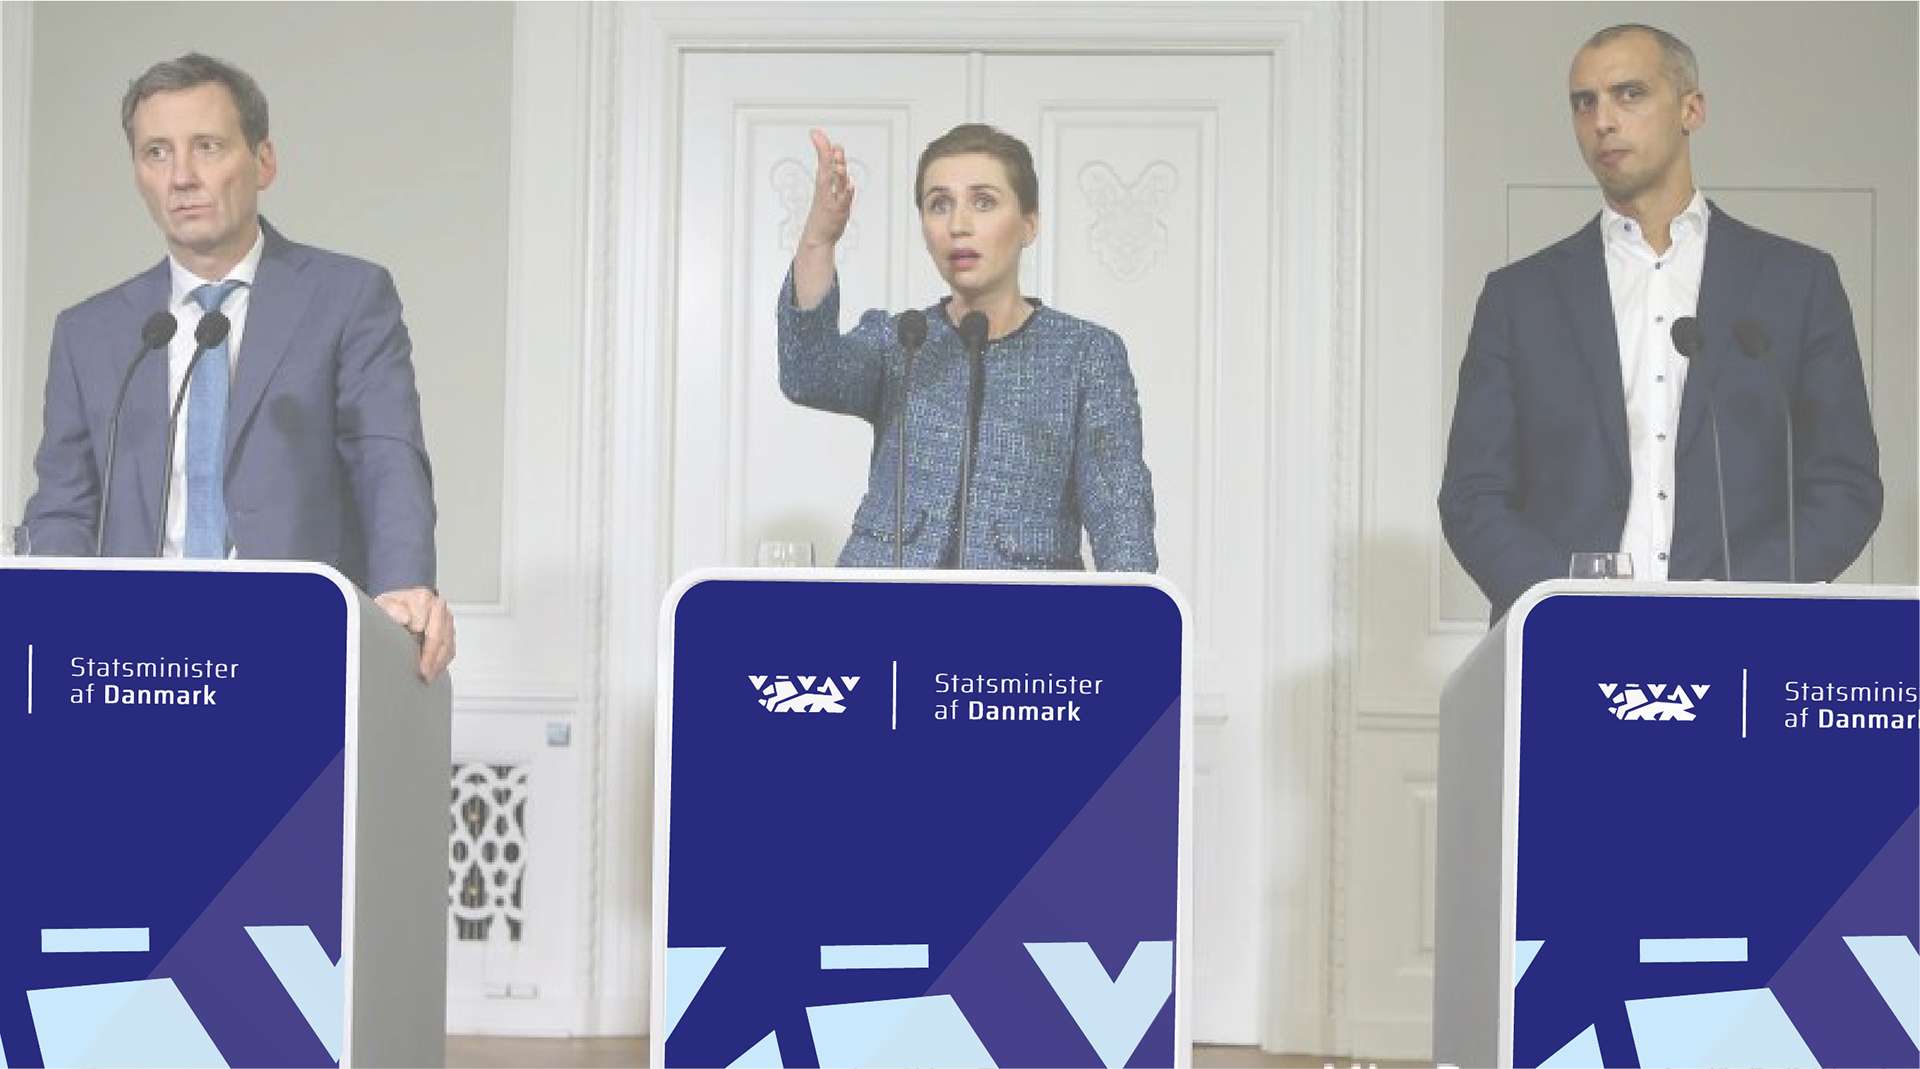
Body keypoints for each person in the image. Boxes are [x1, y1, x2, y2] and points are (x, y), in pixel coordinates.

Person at [20, 53, 454, 679]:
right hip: (132, 655)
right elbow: (64, 505)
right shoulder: (90, 333)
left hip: (294, 644)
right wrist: (55, 621)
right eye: (157, 153)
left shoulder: (347, 298)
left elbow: (386, 455)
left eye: (208, 146)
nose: (182, 177)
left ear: (263, 161)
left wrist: (405, 586)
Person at [1437, 24, 1881, 621]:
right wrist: (1565, 607)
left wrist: (1728, 602)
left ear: (1690, 109)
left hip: (1743, 638)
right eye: (1583, 102)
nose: (1602, 121)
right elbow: (1473, 497)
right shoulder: (1519, 298)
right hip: (1568, 645)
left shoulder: (1796, 282)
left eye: (1630, 94)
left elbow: (1844, 486)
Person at [778, 123, 1157, 571]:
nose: (958, 225)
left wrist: (1136, 608)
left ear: (1029, 224)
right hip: (883, 600)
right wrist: (820, 239)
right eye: (939, 204)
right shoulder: (900, 341)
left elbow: (1120, 513)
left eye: (984, 202)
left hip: (1023, 607)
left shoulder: (1085, 354)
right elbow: (809, 373)